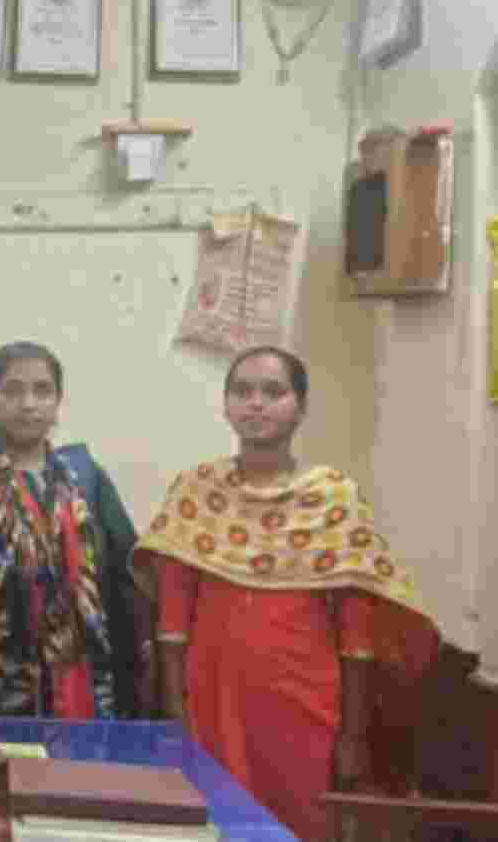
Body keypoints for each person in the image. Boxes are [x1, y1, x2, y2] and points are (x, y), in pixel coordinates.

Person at [133, 346, 440, 842]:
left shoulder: (333, 497)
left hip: (305, 699)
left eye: (273, 392)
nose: (256, 403)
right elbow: (172, 619)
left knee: (298, 822)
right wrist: (175, 714)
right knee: (214, 823)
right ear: (226, 404)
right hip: (212, 697)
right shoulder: (198, 490)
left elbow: (356, 633)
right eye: (242, 391)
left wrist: (352, 737)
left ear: (301, 407)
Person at [0, 342, 146, 719]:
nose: (28, 404)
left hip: (85, 682)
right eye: (12, 390)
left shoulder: (87, 478)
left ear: (58, 402)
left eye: (42, 391)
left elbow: (127, 572)